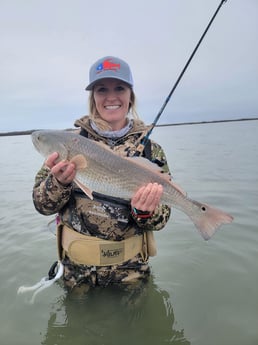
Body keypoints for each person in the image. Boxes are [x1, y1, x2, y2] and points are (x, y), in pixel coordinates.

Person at [32, 56, 171, 291]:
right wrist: (59, 183)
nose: (111, 97)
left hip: (131, 274)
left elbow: (162, 219)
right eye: (101, 89)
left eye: (119, 88)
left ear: (131, 95)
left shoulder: (151, 149)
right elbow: (42, 205)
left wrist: (145, 211)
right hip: (76, 272)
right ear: (93, 97)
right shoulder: (70, 143)